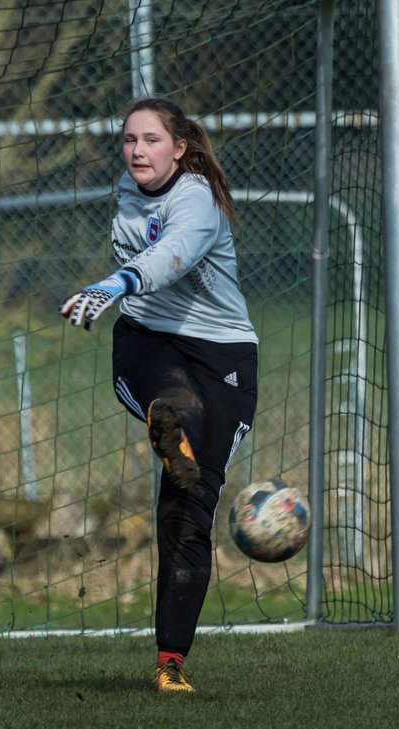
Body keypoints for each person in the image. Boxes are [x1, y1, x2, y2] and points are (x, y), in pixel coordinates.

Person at [59, 97, 258, 694]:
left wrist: (115, 282)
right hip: (149, 339)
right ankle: (165, 421)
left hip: (223, 355)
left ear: (181, 148)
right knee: (179, 413)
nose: (137, 151)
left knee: (189, 506)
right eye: (128, 140)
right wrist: (123, 292)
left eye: (150, 140)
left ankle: (171, 660)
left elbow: (172, 256)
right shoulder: (128, 188)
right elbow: (153, 263)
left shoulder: (196, 198)